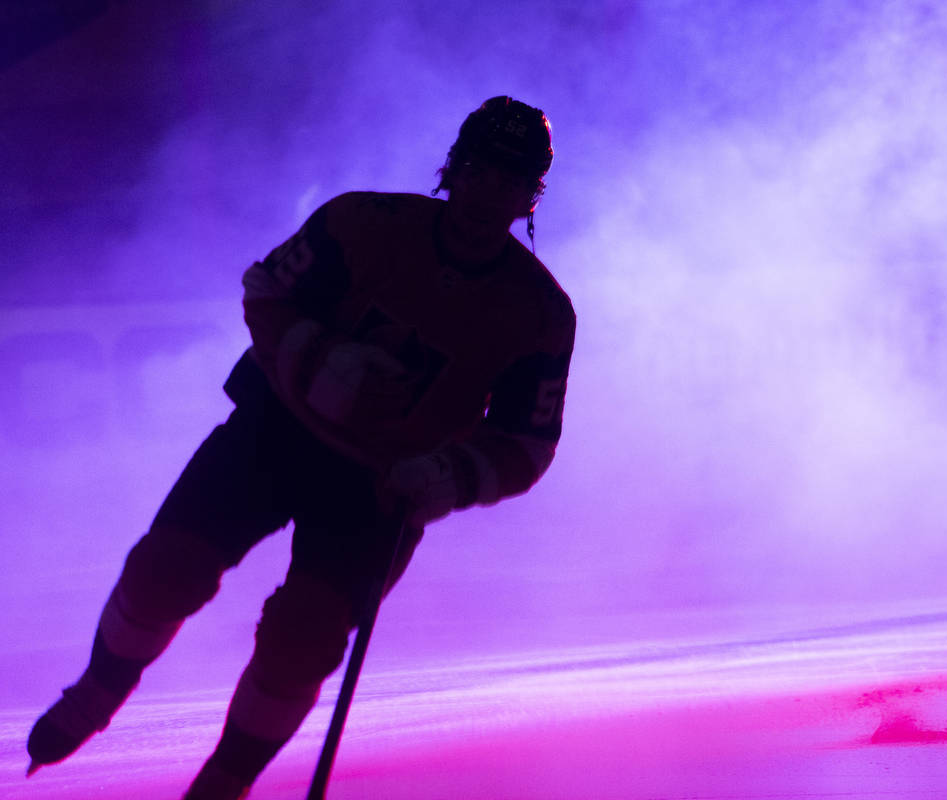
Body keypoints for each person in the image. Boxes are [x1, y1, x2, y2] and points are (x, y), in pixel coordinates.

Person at [26, 96, 575, 799]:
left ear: (532, 196)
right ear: (454, 165)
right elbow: (267, 289)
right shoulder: (363, 224)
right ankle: (98, 690)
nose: (488, 192)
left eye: (512, 181)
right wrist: (311, 360)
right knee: (166, 568)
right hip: (275, 430)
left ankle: (225, 782)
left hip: (380, 488)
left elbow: (527, 441)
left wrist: (448, 475)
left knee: (304, 640)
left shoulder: (539, 313)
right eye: (479, 169)